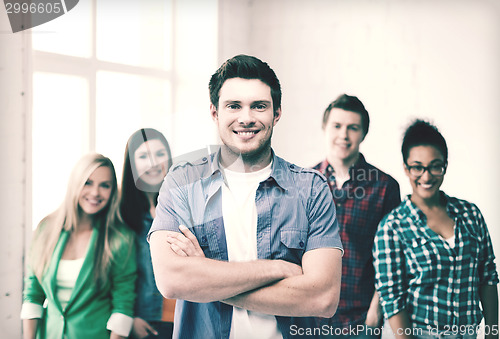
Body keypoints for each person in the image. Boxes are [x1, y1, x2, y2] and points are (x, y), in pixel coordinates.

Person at [148, 54, 343, 339]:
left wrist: (206, 278)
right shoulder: (182, 183)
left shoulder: (311, 190)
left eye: (259, 106)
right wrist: (275, 269)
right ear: (215, 113)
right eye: (234, 106)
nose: (246, 117)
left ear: (276, 113)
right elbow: (172, 281)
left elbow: (322, 298)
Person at [373, 120, 499, 339]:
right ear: (406, 167)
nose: (427, 176)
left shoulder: (471, 214)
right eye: (417, 167)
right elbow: (393, 302)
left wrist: (492, 333)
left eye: (435, 166)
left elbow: (487, 277)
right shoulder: (392, 227)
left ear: (445, 166)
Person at [21, 153, 137, 339]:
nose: (95, 193)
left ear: (112, 191)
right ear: (75, 184)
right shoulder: (46, 229)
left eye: (105, 185)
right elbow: (33, 294)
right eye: (88, 182)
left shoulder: (120, 238)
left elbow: (122, 306)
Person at [313, 94, 401, 337]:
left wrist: (376, 309)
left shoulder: (384, 187)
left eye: (353, 128)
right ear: (325, 128)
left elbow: (392, 256)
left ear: (363, 134)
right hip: (310, 314)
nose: (344, 135)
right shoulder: (305, 183)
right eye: (337, 126)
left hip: (360, 317)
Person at [120, 128, 175, 338]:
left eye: (160, 154)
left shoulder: (186, 205)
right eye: (143, 156)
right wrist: (130, 318)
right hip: (144, 322)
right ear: (132, 164)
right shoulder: (120, 214)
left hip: (184, 316)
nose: (153, 162)